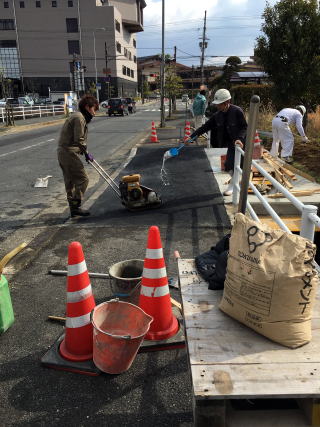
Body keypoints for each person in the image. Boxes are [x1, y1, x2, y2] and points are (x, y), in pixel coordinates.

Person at [187, 88, 247, 196]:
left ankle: (233, 186)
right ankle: (236, 181)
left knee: (237, 165)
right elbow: (205, 127)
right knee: (228, 166)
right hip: (230, 143)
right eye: (217, 104)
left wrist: (240, 138)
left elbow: (244, 127)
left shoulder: (237, 111)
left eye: (219, 104)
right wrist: (191, 137)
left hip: (240, 143)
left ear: (227, 102)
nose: (217, 106)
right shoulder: (218, 115)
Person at [57, 94, 99, 217]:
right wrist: (86, 153)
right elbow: (79, 139)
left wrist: (84, 152)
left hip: (63, 152)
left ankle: (73, 208)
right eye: (94, 109)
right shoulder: (79, 118)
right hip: (67, 152)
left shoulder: (78, 116)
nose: (95, 113)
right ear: (87, 107)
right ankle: (76, 206)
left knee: (70, 182)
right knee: (83, 179)